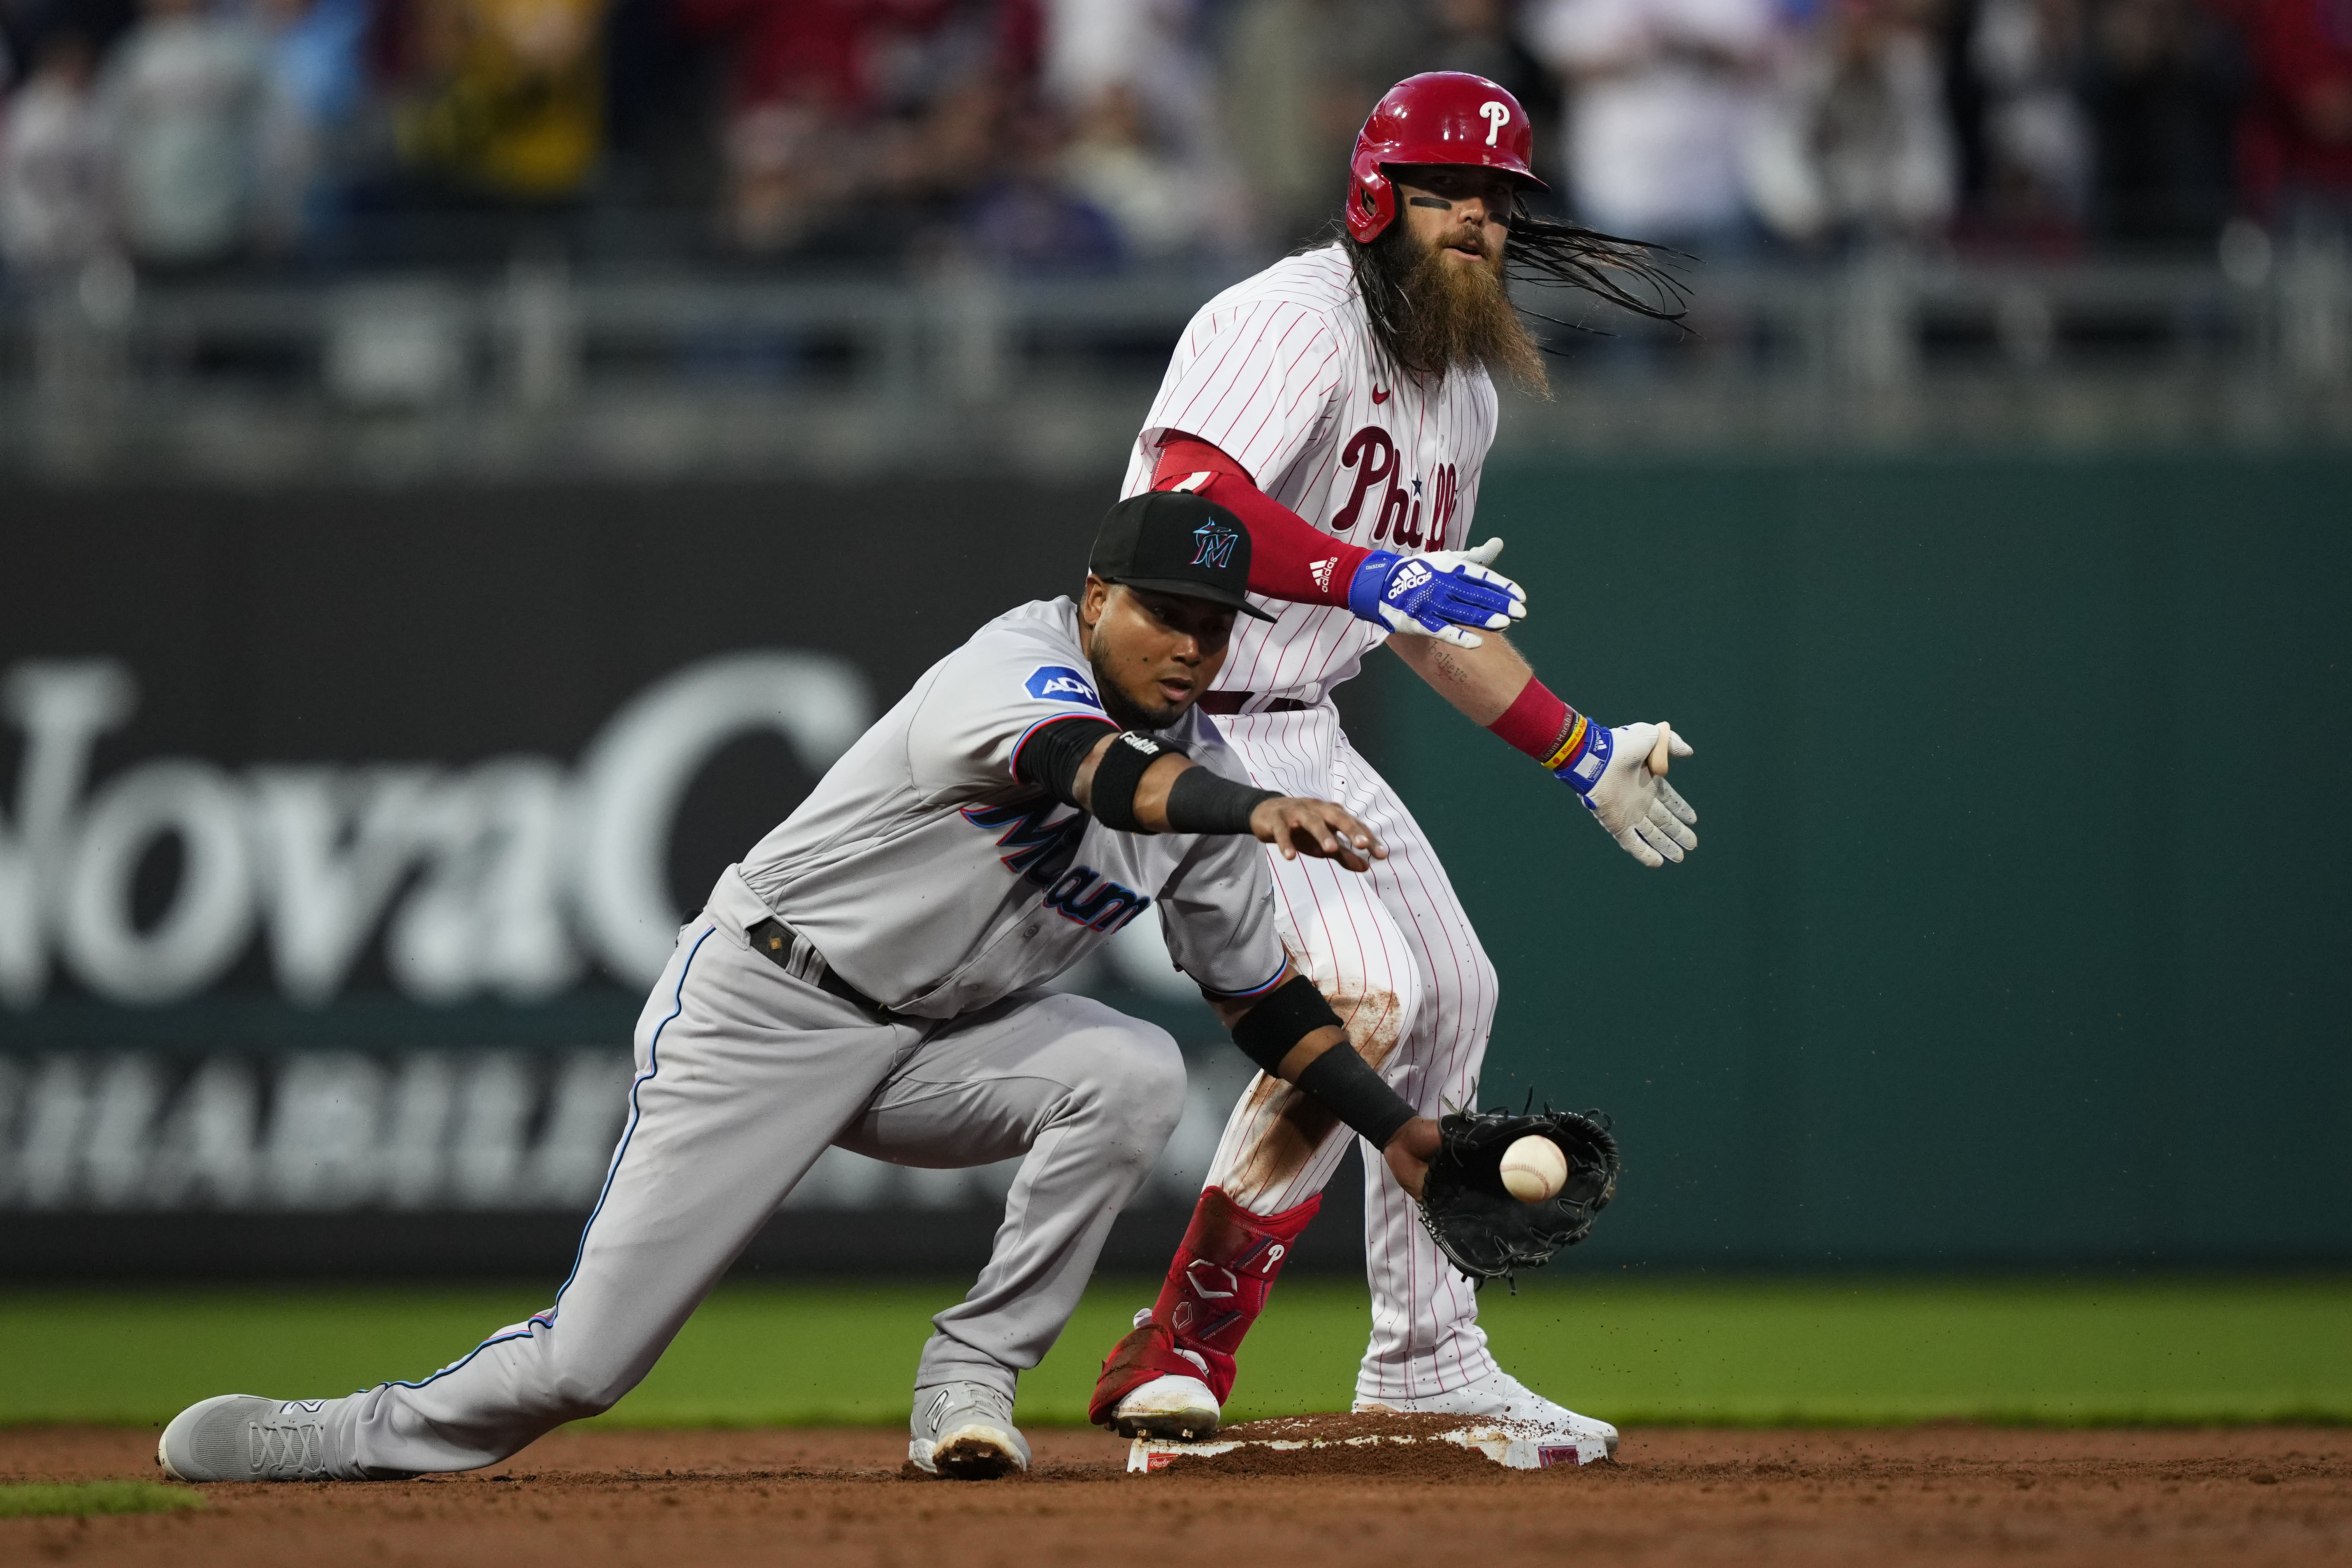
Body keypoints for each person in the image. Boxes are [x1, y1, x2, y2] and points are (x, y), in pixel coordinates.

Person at [155, 490, 1446, 1484]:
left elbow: (1258, 996)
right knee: (588, 1364)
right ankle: (338, 1434)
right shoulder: (1015, 666)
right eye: (1168, 611)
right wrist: (1261, 801)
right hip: (767, 1004)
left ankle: (970, 1381)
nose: (1193, 643)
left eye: (1216, 626)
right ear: (1096, 595)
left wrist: (1400, 1133)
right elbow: (1092, 773)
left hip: (941, 1042)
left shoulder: (1209, 775)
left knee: (1133, 1067)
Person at [1085, 71, 1698, 1461]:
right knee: (1367, 989)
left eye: (1497, 201)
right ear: (1375, 197)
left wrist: (1578, 748)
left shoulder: (1460, 388)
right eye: (1448, 192)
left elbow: (1426, 622)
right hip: (1178, 706)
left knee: (1456, 990)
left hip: (1301, 713)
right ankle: (1178, 1344)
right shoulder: (1286, 318)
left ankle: (1429, 1360)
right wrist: (1370, 572)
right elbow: (1187, 507)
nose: (1478, 222)